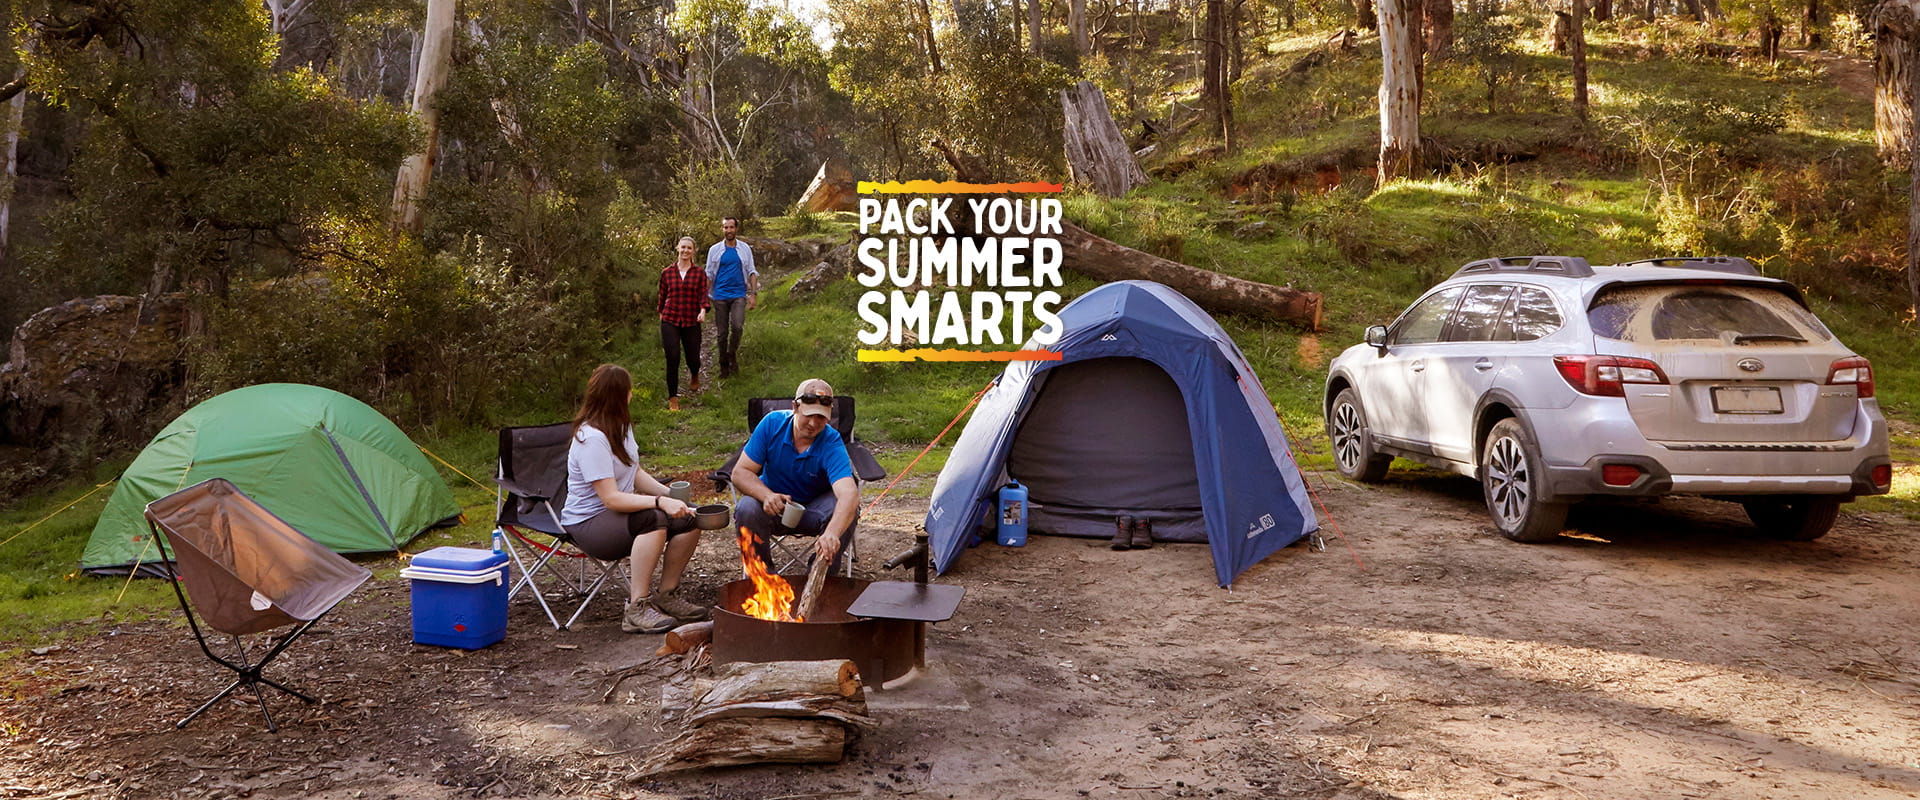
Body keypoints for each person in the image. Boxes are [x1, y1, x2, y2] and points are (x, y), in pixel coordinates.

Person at [558, 364, 708, 633]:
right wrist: (660, 503)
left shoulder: (621, 426)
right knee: (653, 518)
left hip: (615, 518)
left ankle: (666, 595)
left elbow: (635, 472)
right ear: (619, 395)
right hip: (588, 524)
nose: (631, 395)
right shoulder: (591, 438)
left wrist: (673, 497)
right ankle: (636, 607)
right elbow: (611, 499)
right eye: (628, 391)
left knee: (690, 517)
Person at [730, 378, 859, 573]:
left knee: (846, 509)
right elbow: (740, 472)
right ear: (795, 407)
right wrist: (766, 496)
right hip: (775, 507)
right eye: (808, 415)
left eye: (821, 417)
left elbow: (849, 493)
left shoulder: (831, 440)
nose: (814, 423)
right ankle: (763, 581)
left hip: (814, 510)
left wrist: (832, 533)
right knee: (747, 508)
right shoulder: (772, 424)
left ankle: (819, 581)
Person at [658, 236, 710, 412]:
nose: (686, 251)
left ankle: (694, 374)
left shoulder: (699, 273)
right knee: (672, 357)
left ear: (693, 251)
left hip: (691, 320)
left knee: (693, 358)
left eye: (689, 248)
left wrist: (702, 310)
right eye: (683, 247)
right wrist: (661, 315)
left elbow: (703, 295)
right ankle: (673, 397)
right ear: (677, 248)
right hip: (670, 319)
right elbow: (662, 296)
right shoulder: (667, 273)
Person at [704, 216, 759, 378]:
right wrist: (702, 298)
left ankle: (731, 353)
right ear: (722, 229)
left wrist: (753, 294)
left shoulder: (744, 249)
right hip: (719, 295)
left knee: (737, 326)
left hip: (738, 294)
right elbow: (709, 274)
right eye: (725, 227)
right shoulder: (714, 250)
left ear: (736, 229)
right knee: (722, 333)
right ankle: (723, 365)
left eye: (731, 227)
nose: (728, 230)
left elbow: (752, 271)